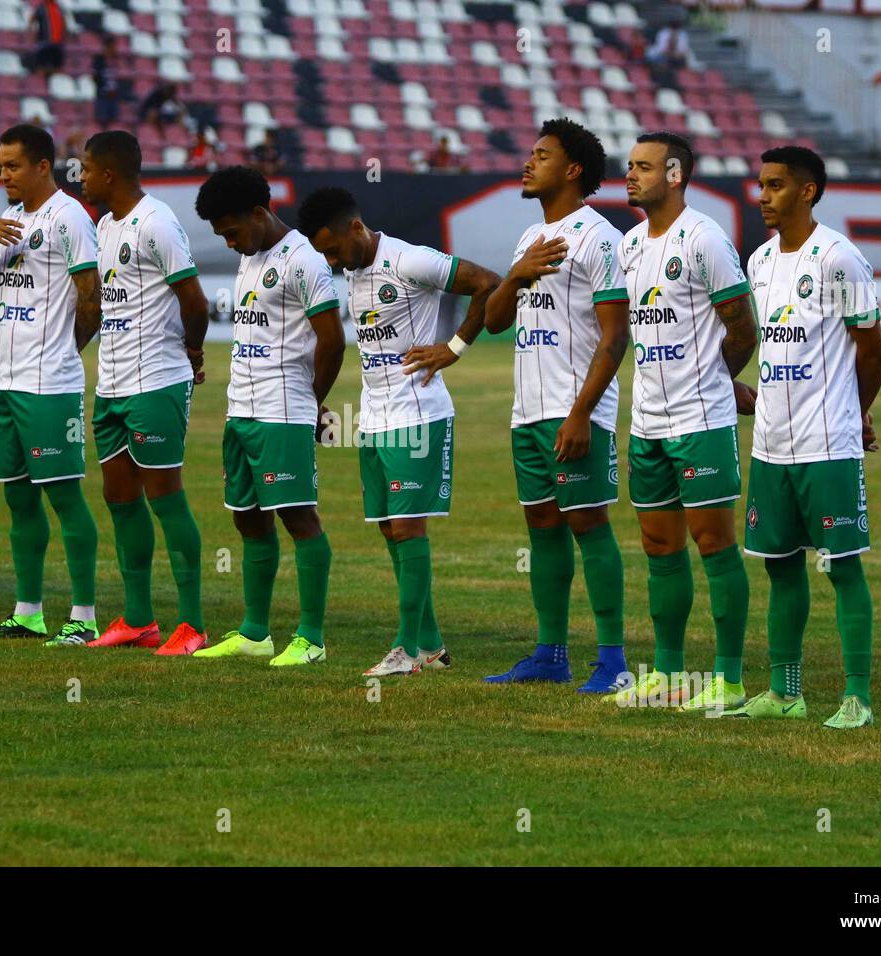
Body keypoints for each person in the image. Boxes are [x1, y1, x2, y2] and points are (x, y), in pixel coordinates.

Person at [297, 186, 500, 677]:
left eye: (332, 248)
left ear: (356, 229)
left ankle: (405, 648)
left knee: (410, 528)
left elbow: (488, 283)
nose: (330, 259)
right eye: (321, 253)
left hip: (418, 415)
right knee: (390, 529)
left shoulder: (410, 260)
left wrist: (452, 347)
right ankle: (430, 646)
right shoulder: (353, 273)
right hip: (374, 419)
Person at [466, 119, 632, 691]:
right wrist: (514, 276)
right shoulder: (526, 241)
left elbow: (615, 337)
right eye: (530, 153)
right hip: (527, 412)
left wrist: (583, 412)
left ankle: (613, 661)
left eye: (542, 155)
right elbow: (493, 321)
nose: (528, 162)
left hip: (574, 411)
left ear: (572, 170)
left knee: (588, 523)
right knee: (542, 526)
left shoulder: (599, 237)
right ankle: (550, 655)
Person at [728, 146, 881, 730]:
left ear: (807, 192)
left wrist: (856, 412)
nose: (763, 196)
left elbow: (870, 350)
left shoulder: (838, 259)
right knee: (780, 566)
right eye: (761, 185)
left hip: (827, 444)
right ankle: (785, 690)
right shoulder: (761, 260)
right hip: (771, 444)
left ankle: (857, 698)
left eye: (774, 186)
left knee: (842, 566)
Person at [611, 132, 758, 712]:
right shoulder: (628, 245)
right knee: (657, 546)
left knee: (715, 543)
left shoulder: (705, 239)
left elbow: (741, 326)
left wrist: (716, 378)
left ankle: (729, 679)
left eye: (643, 167)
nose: (631, 176)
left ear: (675, 174)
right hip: (646, 421)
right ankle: (667, 674)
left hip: (700, 418)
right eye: (629, 167)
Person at [191, 166, 343, 666]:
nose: (230, 242)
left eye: (232, 231)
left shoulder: (304, 260)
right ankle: (255, 631)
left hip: (282, 410)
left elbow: (332, 339)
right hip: (241, 410)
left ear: (259, 214)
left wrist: (313, 400)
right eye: (222, 236)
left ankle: (312, 638)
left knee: (299, 518)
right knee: (247, 519)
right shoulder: (251, 257)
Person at [0, 124, 102, 646]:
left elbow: (90, 296)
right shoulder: (9, 223)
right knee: (19, 500)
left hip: (50, 385)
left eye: (12, 166)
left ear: (42, 166)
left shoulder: (69, 217)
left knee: (65, 498)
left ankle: (84, 616)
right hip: (7, 382)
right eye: (0, 166)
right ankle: (28, 611)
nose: (3, 175)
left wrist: (67, 353)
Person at [77, 131, 211, 654]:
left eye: (85, 170)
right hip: (111, 384)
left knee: (166, 498)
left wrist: (193, 352)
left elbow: (194, 301)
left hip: (156, 379)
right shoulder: (105, 225)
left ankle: (193, 624)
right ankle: (138, 618)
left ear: (108, 174)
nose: (81, 178)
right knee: (119, 498)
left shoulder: (157, 223)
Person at [26, 0, 66, 77]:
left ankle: (55, 84)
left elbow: (63, 22)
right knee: (42, 66)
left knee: (57, 67)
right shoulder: (42, 7)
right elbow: (32, 19)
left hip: (57, 44)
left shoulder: (58, 7)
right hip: (44, 43)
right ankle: (42, 85)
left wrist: (64, 35)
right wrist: (30, 33)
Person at [92, 36, 123, 127]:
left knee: (114, 122)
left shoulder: (116, 59)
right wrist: (104, 90)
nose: (114, 48)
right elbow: (95, 76)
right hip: (103, 95)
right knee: (102, 121)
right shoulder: (99, 59)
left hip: (114, 95)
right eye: (112, 46)